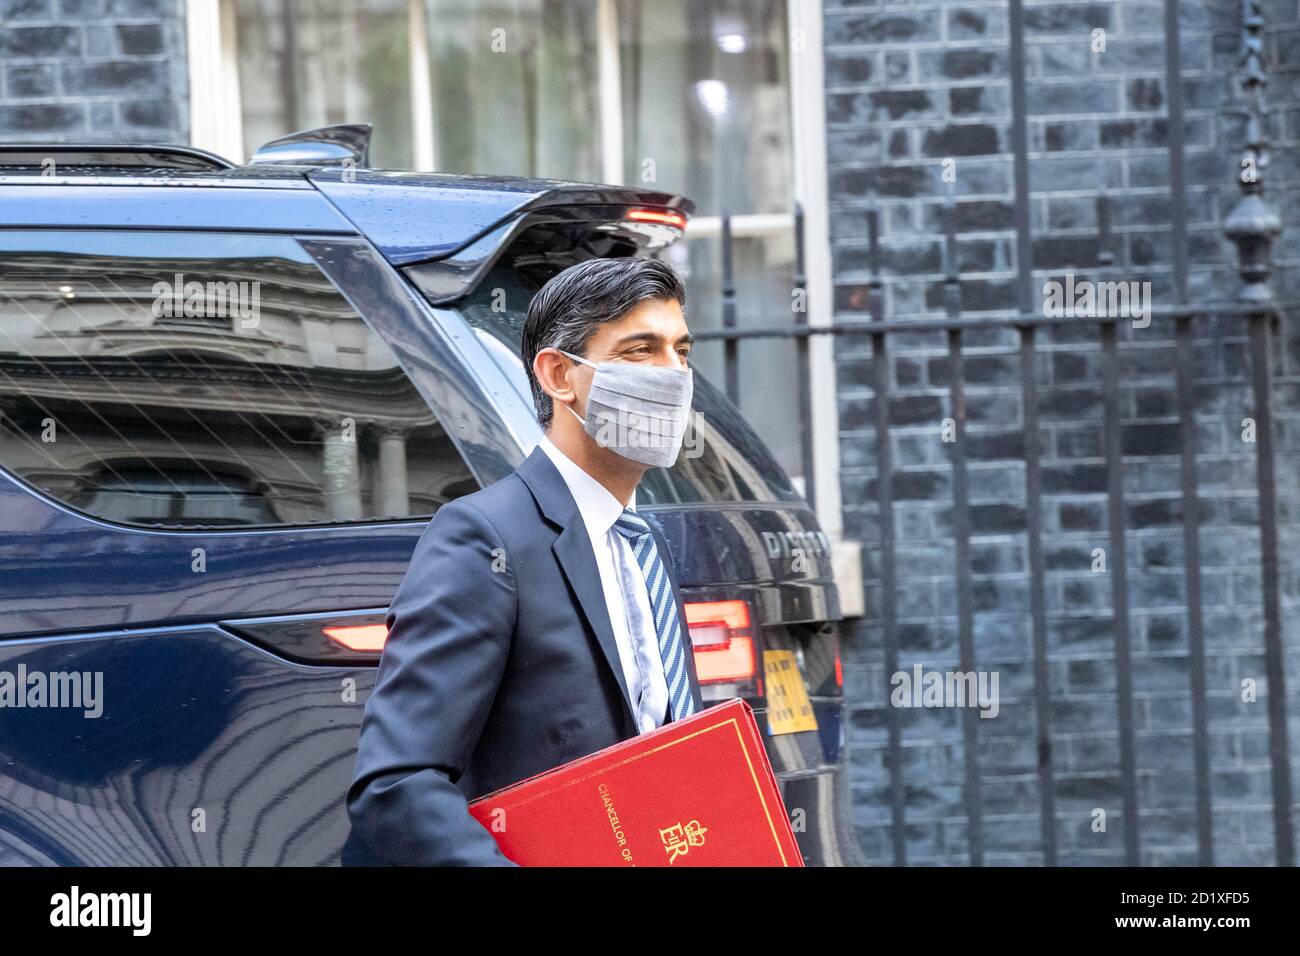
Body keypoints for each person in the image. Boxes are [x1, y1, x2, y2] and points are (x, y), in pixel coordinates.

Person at [344, 256, 704, 865]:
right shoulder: (484, 536)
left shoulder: (644, 543)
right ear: (560, 374)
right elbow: (397, 786)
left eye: (681, 350)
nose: (672, 373)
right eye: (641, 350)